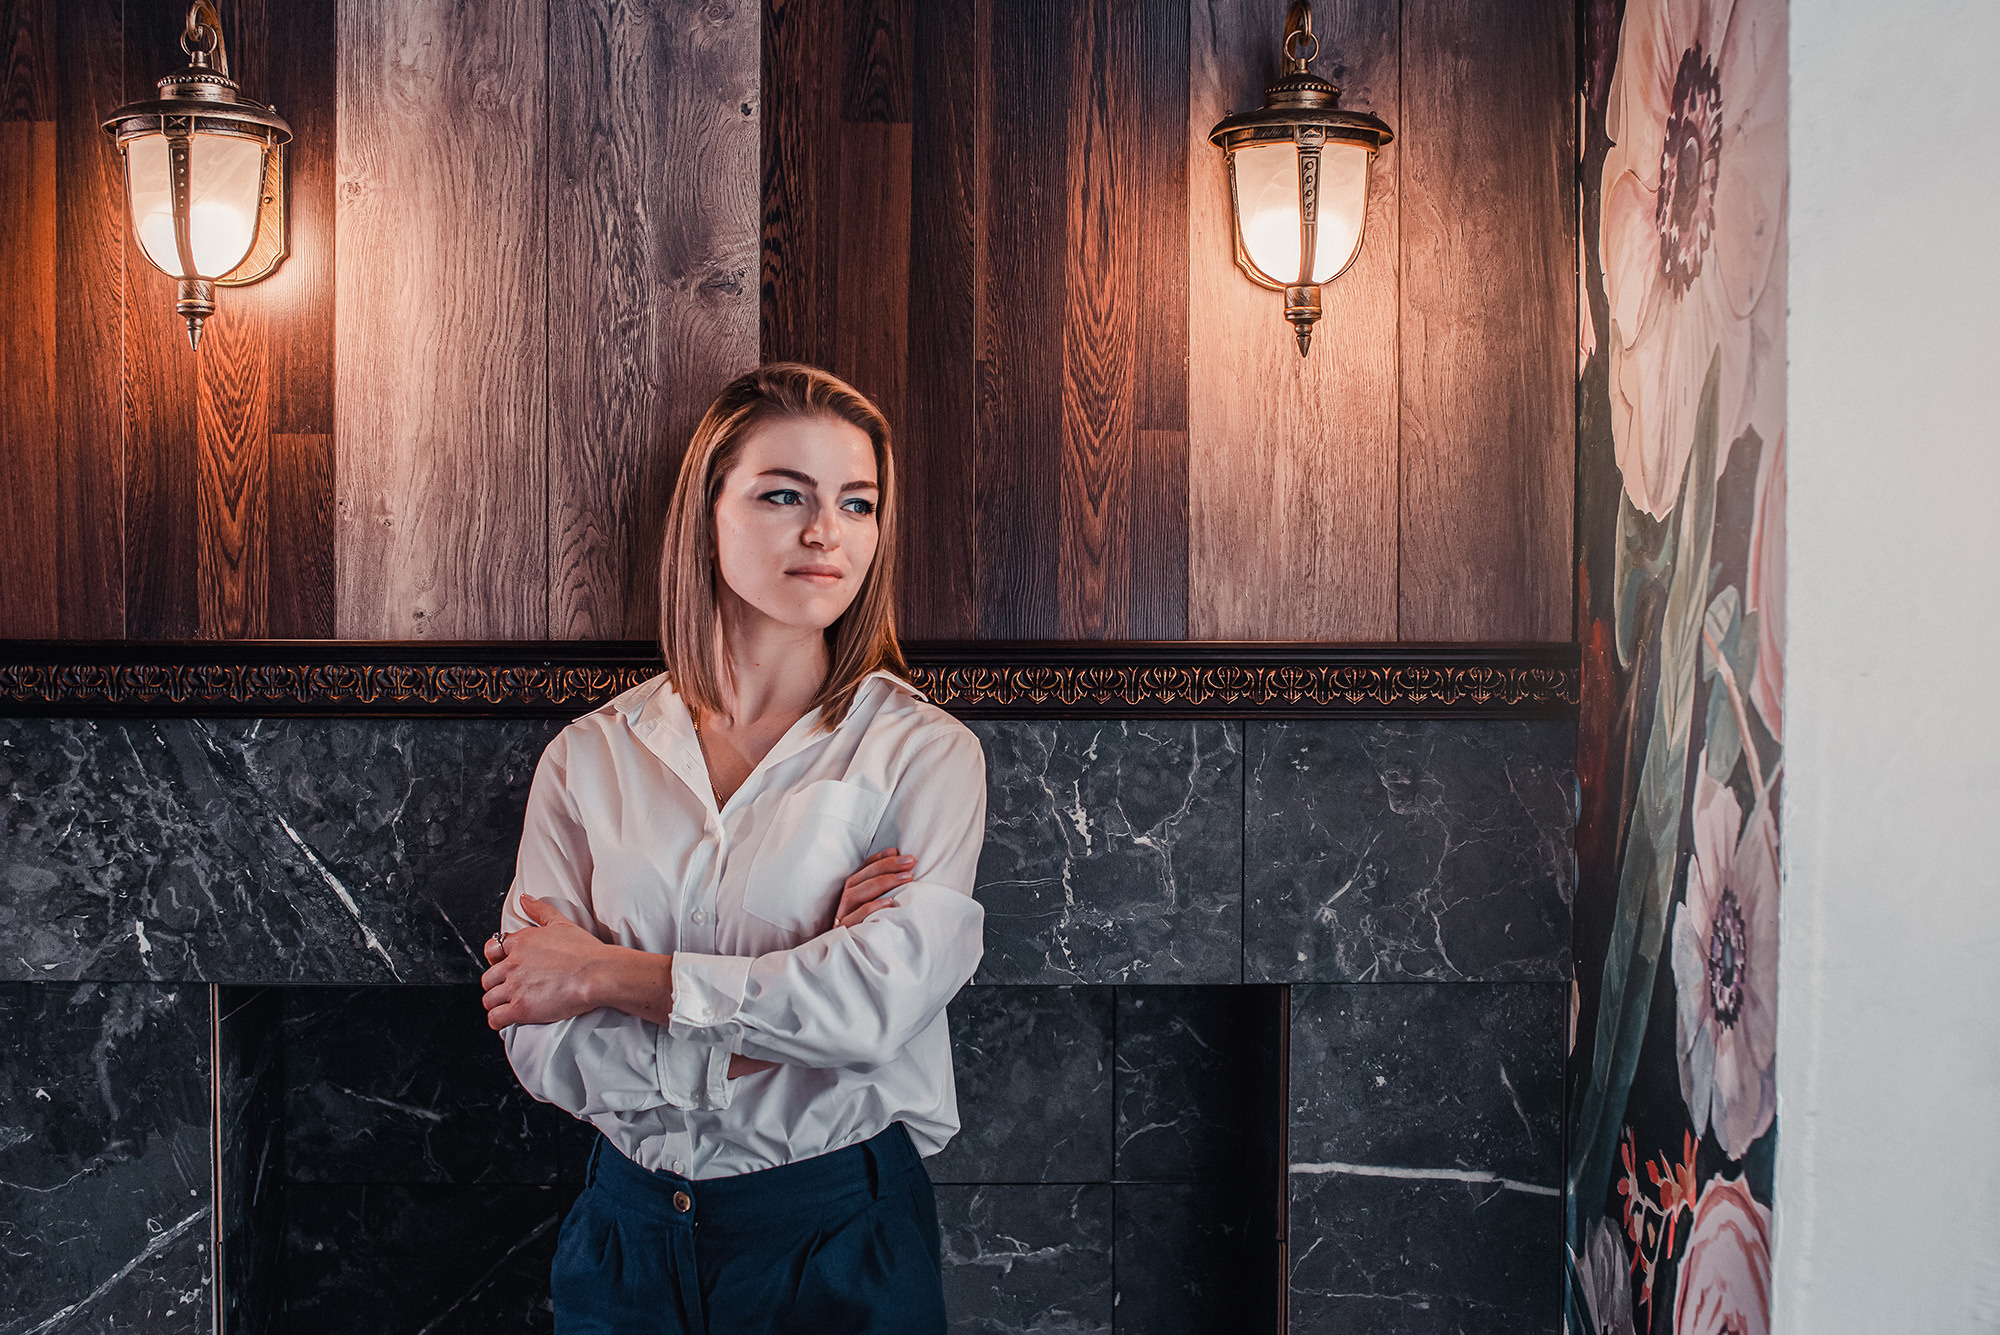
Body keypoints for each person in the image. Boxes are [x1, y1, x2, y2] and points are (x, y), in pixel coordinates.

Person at [477, 362, 988, 1334]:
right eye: (782, 494)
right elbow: (536, 1029)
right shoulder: (589, 757)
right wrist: (781, 1014)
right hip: (622, 1237)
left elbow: (869, 1009)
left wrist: (608, 976)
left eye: (857, 502)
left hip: (834, 1235)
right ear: (706, 514)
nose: (823, 531)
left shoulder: (920, 754)